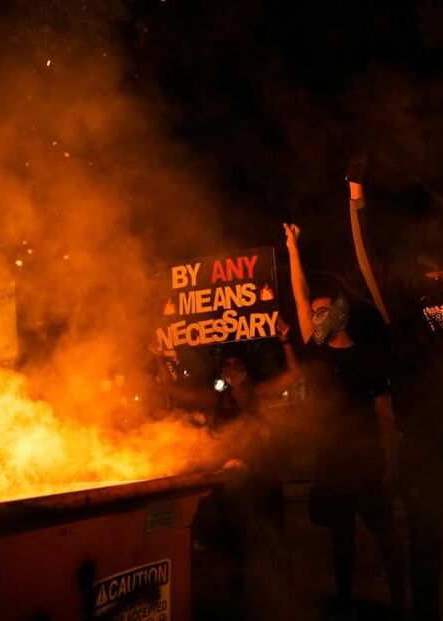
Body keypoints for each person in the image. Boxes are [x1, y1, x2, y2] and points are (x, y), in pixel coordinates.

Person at [346, 154, 443, 621]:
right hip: (424, 449)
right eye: (433, 272)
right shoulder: (402, 306)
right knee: (426, 545)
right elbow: (368, 260)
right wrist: (356, 197)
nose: (441, 278)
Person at [282, 220, 407, 620]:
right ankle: (346, 604)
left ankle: (402, 603)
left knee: (386, 535)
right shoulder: (319, 355)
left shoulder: (368, 357)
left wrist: (391, 463)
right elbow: (300, 296)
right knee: (341, 540)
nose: (315, 317)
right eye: (313, 314)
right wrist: (293, 249)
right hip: (333, 465)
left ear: (339, 313)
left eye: (322, 312)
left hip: (366, 463)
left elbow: (385, 413)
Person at [155, 321, 299, 620]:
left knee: (274, 542)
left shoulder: (258, 394)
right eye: (227, 365)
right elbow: (171, 389)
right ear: (221, 372)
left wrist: (286, 342)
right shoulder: (215, 399)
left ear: (247, 370)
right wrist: (159, 356)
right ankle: (238, 604)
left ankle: (283, 602)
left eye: (238, 364)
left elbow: (294, 376)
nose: (232, 368)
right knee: (235, 548)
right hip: (231, 485)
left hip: (263, 479)